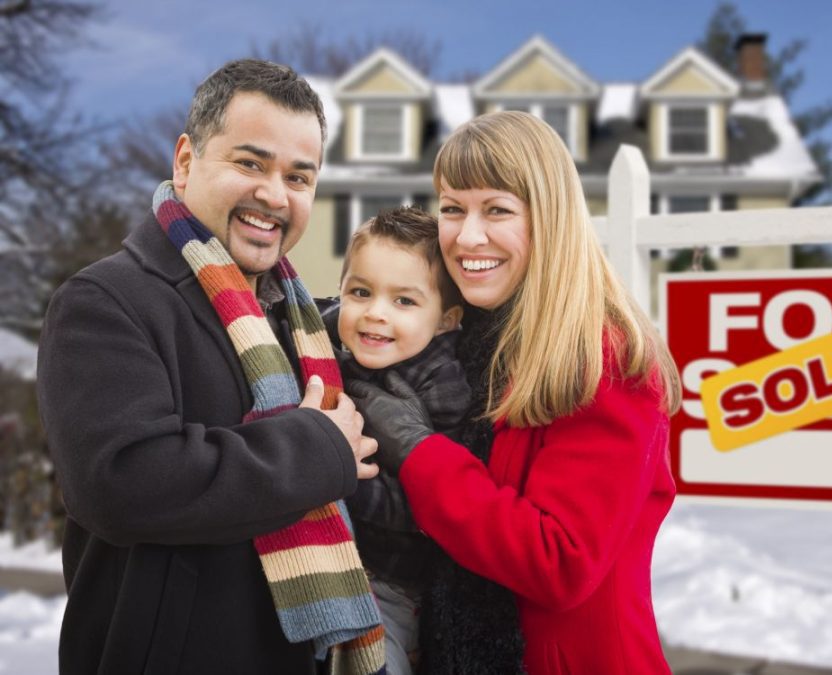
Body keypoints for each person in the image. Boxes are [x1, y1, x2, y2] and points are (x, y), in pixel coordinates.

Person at [37, 59, 387, 675]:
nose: (274, 196)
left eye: (299, 177)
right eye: (250, 164)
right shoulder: (105, 301)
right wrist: (316, 450)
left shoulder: (302, 321)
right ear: (185, 160)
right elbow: (119, 482)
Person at [351, 110, 684, 674]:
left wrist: (415, 448)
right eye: (453, 208)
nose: (467, 235)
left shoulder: (605, 360)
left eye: (497, 209)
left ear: (549, 219)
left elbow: (559, 562)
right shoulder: (471, 334)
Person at [322, 206, 467, 674]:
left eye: (404, 301)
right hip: (329, 559)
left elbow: (426, 507)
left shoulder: (442, 383)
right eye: (360, 292)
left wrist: (339, 477)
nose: (375, 314)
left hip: (392, 580)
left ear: (446, 320)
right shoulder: (322, 345)